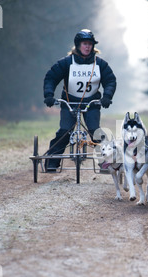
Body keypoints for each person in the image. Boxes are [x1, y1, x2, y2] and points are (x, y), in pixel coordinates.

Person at [43, 29, 117, 172]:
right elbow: (51, 78)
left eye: (90, 44)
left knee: (95, 132)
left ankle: (105, 162)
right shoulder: (66, 63)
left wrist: (107, 97)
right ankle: (52, 162)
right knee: (65, 131)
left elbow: (110, 80)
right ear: (78, 45)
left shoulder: (100, 64)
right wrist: (49, 95)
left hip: (92, 104)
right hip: (69, 103)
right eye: (84, 43)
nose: (87, 46)